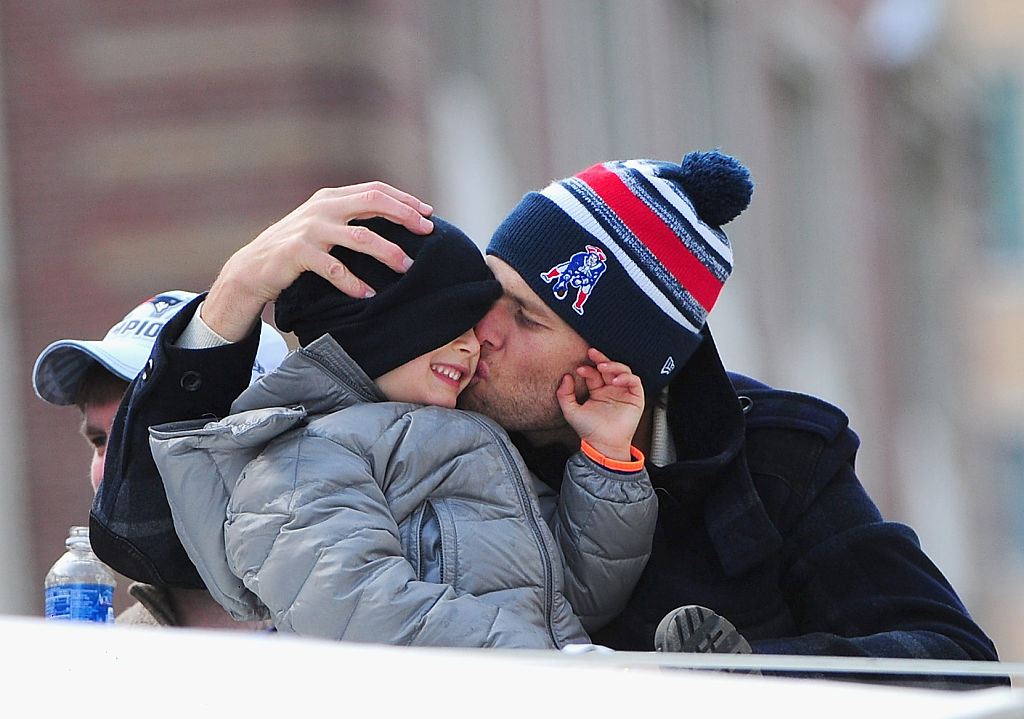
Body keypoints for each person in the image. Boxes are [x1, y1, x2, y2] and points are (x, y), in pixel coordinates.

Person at [92, 156, 1003, 682]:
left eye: (526, 317)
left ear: (617, 364)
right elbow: (146, 537)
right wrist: (237, 294)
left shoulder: (776, 459)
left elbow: (953, 657)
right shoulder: (407, 407)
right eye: (490, 291)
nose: (476, 332)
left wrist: (719, 680)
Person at [144, 217, 656, 647]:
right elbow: (352, 607)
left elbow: (576, 598)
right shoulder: (303, 456)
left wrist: (607, 458)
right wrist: (537, 660)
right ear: (383, 330)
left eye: (470, 330)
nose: (471, 348)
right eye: (447, 328)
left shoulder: (483, 443)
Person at [33, 290, 289, 627]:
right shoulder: (110, 651)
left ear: (251, 431)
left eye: (142, 433)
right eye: (99, 440)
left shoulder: (353, 609)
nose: (114, 466)